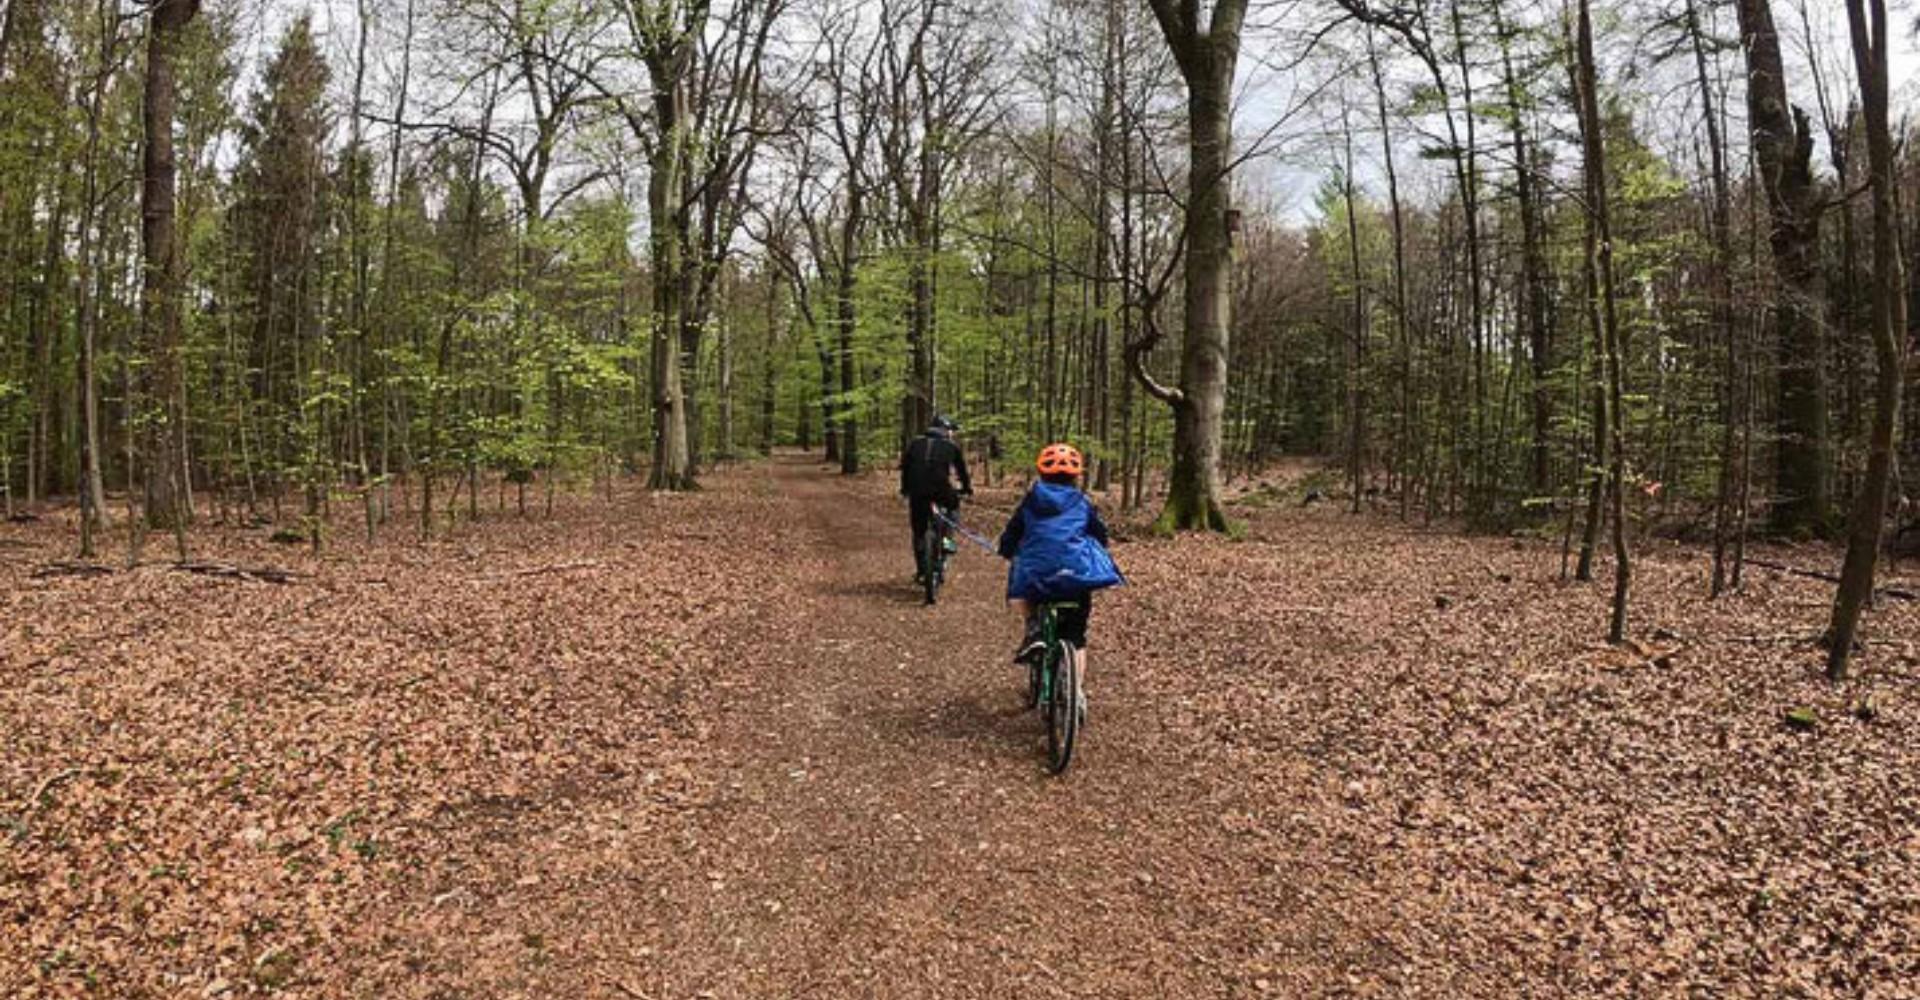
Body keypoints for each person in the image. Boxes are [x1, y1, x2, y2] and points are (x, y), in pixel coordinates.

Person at [996, 443, 1123, 707]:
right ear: (1076, 476)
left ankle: (1033, 628)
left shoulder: (1030, 501)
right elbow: (1100, 536)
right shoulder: (1083, 503)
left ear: (1041, 473)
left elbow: (1011, 535)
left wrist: (1006, 551)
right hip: (1075, 575)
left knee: (1021, 583)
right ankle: (1075, 693)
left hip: (1037, 575)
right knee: (1076, 636)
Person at [899, 415, 972, 581]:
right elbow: (962, 471)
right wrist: (966, 489)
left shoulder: (914, 444)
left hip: (917, 491)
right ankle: (947, 542)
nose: (952, 434)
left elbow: (905, 469)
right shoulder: (951, 446)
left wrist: (905, 489)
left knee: (918, 530)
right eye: (951, 430)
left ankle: (921, 569)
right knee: (953, 508)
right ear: (946, 430)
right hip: (941, 489)